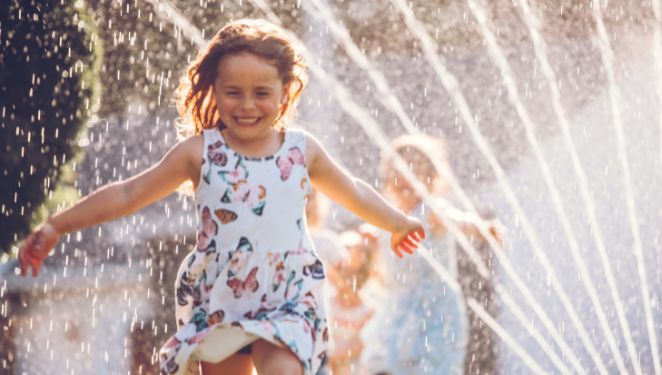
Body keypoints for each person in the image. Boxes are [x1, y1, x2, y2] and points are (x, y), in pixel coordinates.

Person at [16, 19, 425, 375]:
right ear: (214, 90)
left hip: (287, 296)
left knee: (284, 368)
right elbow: (128, 193)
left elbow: (353, 189)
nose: (247, 105)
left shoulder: (302, 151)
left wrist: (397, 222)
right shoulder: (201, 152)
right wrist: (57, 225)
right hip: (221, 299)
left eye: (261, 92)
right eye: (233, 92)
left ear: (286, 92)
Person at [358, 134, 502, 375]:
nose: (405, 176)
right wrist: (367, 247)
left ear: (430, 178)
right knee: (380, 364)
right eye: (399, 169)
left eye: (416, 169)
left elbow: (456, 220)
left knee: (431, 367)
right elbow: (380, 269)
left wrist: (481, 228)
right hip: (398, 309)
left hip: (435, 312)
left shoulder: (430, 211)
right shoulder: (385, 218)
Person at [325, 230, 374, 375]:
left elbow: (364, 344)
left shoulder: (368, 308)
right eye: (341, 273)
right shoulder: (326, 302)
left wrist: (332, 357)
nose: (345, 282)